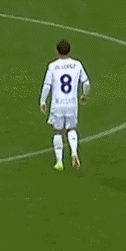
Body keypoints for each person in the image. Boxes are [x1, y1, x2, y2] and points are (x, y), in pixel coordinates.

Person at [39, 40, 90, 171]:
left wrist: (43, 101)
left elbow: (47, 85)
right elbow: (86, 83)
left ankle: (59, 162)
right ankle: (74, 152)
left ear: (57, 52)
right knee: (72, 129)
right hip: (72, 104)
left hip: (57, 104)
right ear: (69, 51)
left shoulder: (53, 66)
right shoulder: (77, 64)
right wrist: (84, 95)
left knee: (57, 131)